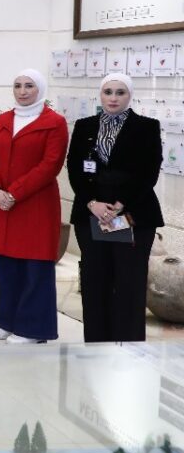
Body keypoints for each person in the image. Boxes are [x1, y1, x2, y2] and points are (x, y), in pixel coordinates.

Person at [67, 73, 161, 343]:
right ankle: (97, 344)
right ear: (100, 95)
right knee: (95, 281)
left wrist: (119, 205)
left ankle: (129, 347)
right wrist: (92, 203)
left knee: (129, 283)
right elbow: (74, 168)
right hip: (91, 215)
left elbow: (149, 172)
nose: (113, 98)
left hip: (132, 215)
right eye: (108, 92)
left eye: (120, 92)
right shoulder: (85, 126)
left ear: (129, 96)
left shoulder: (146, 127)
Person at [0, 69, 68, 344]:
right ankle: (7, 321)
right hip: (1, 204)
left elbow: (50, 165)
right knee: (6, 268)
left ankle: (33, 329)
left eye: (29, 86)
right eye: (18, 85)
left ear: (39, 89)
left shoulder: (54, 123)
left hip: (35, 206)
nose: (22, 91)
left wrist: (14, 193)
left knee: (35, 270)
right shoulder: (4, 119)